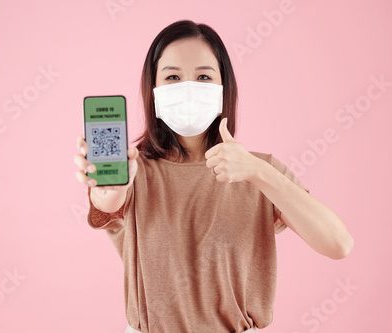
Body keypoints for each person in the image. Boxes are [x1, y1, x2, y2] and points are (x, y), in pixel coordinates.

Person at [74, 20, 354, 333]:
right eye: (173, 77)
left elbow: (338, 244)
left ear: (223, 89)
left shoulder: (257, 169)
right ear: (153, 90)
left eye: (204, 76)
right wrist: (110, 185)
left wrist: (259, 172)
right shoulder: (135, 172)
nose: (188, 87)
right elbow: (108, 198)